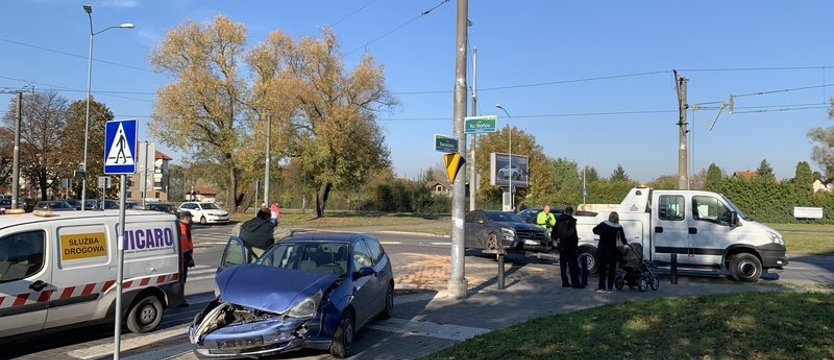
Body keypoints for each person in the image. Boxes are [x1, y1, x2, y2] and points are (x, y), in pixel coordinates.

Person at [592, 211, 627, 294]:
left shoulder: (603, 224)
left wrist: (602, 233)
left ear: (609, 217)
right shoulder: (619, 227)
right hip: (613, 252)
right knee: (612, 270)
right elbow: (623, 240)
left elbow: (594, 230)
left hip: (603, 250)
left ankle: (602, 287)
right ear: (617, 218)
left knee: (602, 270)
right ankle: (610, 288)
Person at [555, 206, 582, 288]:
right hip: (570, 245)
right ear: (571, 212)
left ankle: (565, 282)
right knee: (572, 264)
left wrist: (557, 238)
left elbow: (554, 232)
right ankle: (575, 283)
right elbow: (572, 233)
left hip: (562, 245)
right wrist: (575, 243)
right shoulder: (570, 220)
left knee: (563, 264)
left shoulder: (558, 220)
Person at [178, 211, 195, 306]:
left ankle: (180, 298)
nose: (191, 219)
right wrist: (189, 259)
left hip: (183, 258)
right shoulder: (183, 228)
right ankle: (179, 300)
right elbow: (184, 246)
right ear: (185, 218)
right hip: (183, 259)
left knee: (182, 280)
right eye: (190, 217)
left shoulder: (185, 227)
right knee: (181, 280)